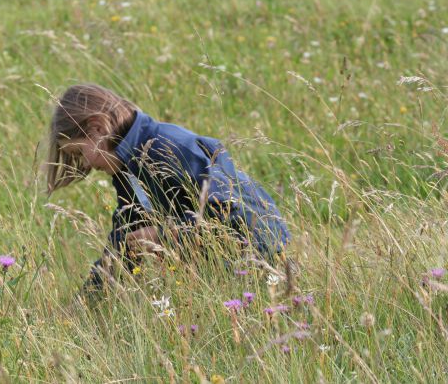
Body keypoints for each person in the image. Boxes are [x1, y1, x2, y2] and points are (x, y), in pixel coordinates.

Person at [46, 84, 290, 292]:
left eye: (80, 152)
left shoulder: (167, 146)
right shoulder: (128, 168)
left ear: (98, 127)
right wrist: (87, 299)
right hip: (228, 266)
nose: (85, 164)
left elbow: (226, 213)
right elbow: (125, 240)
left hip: (260, 258)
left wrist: (163, 235)